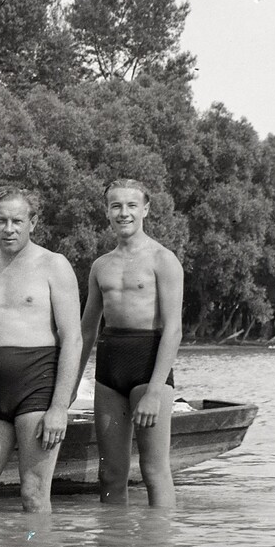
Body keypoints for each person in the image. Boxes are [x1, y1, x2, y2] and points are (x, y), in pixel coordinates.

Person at [0, 187, 83, 513]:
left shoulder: (54, 265)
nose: (8, 228)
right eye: (1, 220)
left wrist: (59, 407)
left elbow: (73, 338)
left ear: (33, 222)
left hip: (37, 388)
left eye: (17, 220)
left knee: (34, 494)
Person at [77, 179, 185, 506]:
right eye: (116, 206)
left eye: (131, 205)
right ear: (107, 212)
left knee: (154, 470)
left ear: (146, 210)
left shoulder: (163, 260)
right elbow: (86, 331)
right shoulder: (101, 266)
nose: (124, 213)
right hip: (110, 370)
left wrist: (154, 391)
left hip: (148, 367)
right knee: (110, 473)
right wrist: (68, 387)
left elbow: (174, 329)